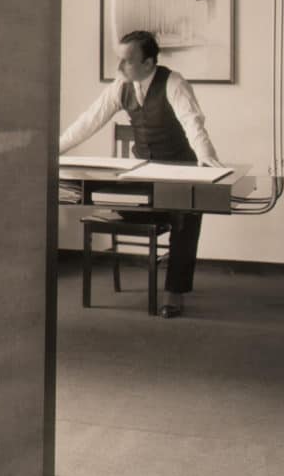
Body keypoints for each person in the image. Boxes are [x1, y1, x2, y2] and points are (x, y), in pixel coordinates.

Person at [59, 30, 222, 318]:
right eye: (119, 60)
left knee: (186, 216)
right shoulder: (120, 86)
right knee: (124, 204)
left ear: (149, 63)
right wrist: (53, 150)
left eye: (127, 61)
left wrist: (207, 160)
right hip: (142, 176)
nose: (120, 68)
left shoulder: (173, 82)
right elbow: (89, 121)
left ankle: (175, 292)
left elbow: (192, 123)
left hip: (178, 171)